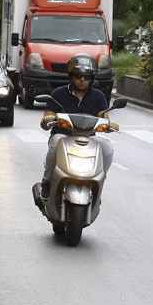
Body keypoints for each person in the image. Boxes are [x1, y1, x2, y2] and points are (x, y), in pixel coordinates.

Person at [39, 53, 119, 201]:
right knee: (56, 141)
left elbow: (104, 119)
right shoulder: (58, 93)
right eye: (78, 75)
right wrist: (48, 119)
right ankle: (47, 182)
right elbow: (45, 121)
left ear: (92, 78)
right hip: (63, 137)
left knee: (107, 146)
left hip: (88, 139)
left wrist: (109, 124)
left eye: (87, 76)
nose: (82, 79)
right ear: (71, 76)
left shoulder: (99, 96)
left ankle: (98, 183)